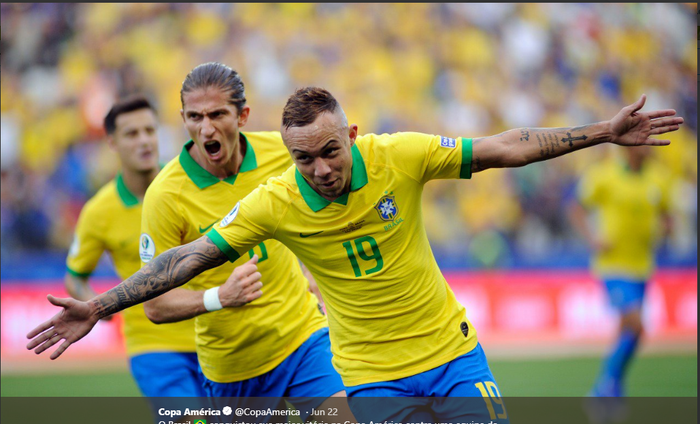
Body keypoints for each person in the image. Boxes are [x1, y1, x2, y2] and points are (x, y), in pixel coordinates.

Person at [28, 87, 682, 422]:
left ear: (355, 137)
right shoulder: (276, 201)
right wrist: (102, 305)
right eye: (302, 158)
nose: (318, 169)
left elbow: (503, 147)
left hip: (453, 354)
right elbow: (189, 259)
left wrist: (602, 132)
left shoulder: (399, 156)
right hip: (367, 377)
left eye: (329, 151)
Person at [130, 63, 347, 419]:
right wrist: (220, 297)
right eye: (195, 116)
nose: (206, 128)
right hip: (232, 369)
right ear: (182, 118)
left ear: (243, 115)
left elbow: (323, 203)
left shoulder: (283, 153)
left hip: (304, 339)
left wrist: (313, 267)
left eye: (217, 114)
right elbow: (155, 304)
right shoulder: (165, 195)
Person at [64, 95, 205, 397]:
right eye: (132, 133)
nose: (144, 141)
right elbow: (75, 275)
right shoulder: (99, 211)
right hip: (152, 345)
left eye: (150, 131)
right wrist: (95, 305)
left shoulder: (190, 182)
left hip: (217, 334)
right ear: (112, 143)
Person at [569, 146, 672, 399]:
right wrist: (592, 238)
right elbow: (576, 208)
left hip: (643, 265)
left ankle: (611, 387)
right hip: (613, 264)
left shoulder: (659, 177)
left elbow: (667, 216)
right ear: (630, 148)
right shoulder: (604, 175)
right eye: (645, 140)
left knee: (629, 332)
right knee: (635, 325)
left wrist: (664, 232)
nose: (650, 145)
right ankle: (604, 387)